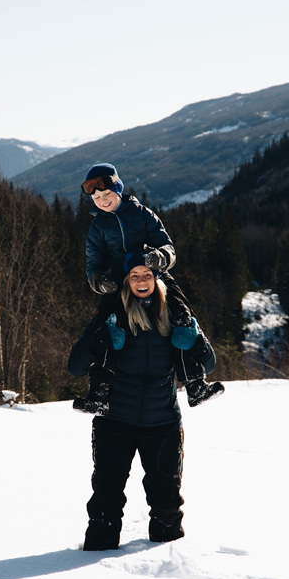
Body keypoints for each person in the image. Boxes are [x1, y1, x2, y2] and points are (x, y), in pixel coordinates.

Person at [68, 255, 223, 550]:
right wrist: (101, 338)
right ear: (126, 281)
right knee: (105, 503)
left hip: (163, 424)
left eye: (147, 275)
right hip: (114, 423)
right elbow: (75, 366)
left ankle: (168, 570)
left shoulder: (176, 313)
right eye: (134, 276)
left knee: (167, 508)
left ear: (157, 279)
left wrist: (194, 340)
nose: (141, 281)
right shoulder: (111, 314)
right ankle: (91, 572)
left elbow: (210, 362)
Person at [74, 162, 223, 415]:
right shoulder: (97, 227)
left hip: (156, 277)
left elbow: (168, 247)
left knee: (181, 317)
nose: (102, 200)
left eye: (106, 194)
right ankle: (99, 394)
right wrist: (99, 281)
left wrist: (160, 257)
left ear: (118, 189)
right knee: (107, 329)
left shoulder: (142, 214)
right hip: (118, 284)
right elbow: (93, 265)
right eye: (96, 197)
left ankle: (195, 384)